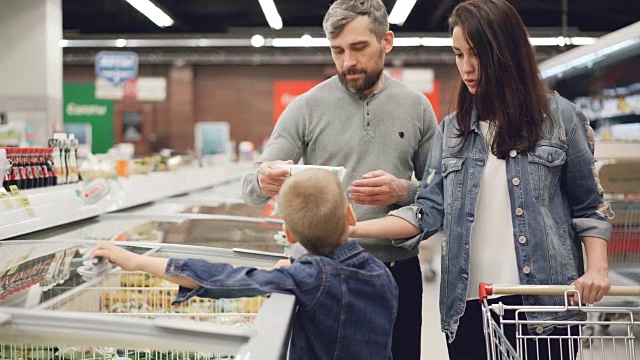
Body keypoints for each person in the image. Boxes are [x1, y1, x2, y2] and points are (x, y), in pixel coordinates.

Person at [350, 0, 612, 359]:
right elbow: (427, 211)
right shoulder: (453, 131)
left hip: (545, 306)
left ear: (507, 52)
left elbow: (589, 207)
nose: (467, 67)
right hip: (470, 307)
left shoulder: (561, 119)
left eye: (477, 54)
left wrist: (597, 270)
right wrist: (348, 230)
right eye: (458, 55)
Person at [241, 1, 437, 357]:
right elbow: (251, 189)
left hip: (398, 274)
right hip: (326, 274)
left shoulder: (417, 107)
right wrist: (263, 179)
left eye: (359, 48)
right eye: (338, 50)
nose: (348, 62)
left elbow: (438, 195)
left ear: (387, 41)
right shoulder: (305, 107)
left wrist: (402, 189)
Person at [93, 169, 398, 360]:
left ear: (289, 233)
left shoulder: (309, 277)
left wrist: (138, 261)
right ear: (351, 217)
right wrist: (293, 271)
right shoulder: (382, 274)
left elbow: (224, 279)